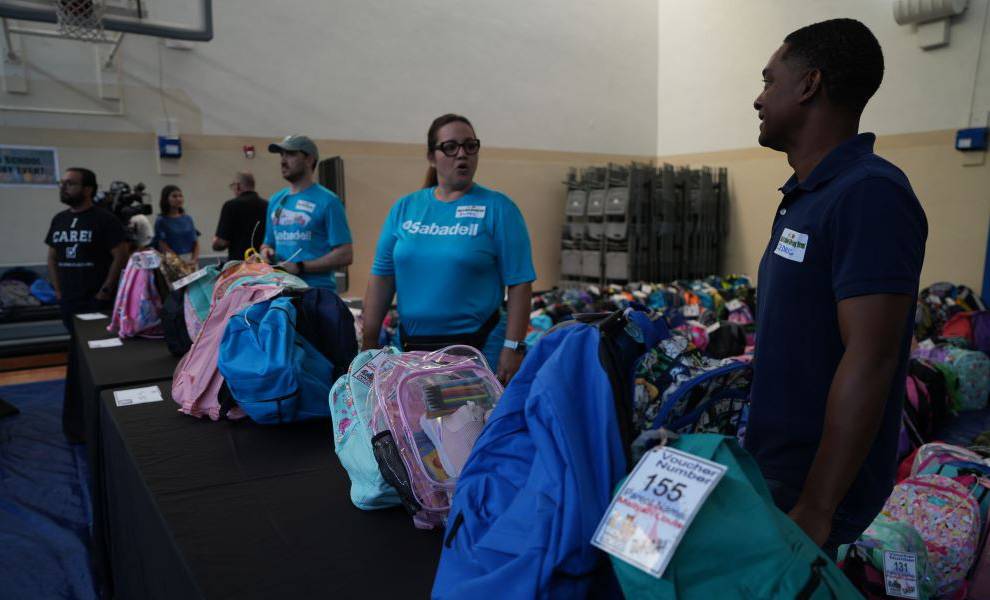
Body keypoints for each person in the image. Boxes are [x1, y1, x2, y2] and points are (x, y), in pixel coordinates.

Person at [745, 19, 927, 557]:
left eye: (769, 80)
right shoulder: (807, 194)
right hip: (777, 470)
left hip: (813, 493)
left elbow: (871, 359)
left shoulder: (869, 194)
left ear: (809, 85)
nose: (759, 98)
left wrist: (817, 508)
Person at [361, 114, 536, 384]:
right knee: (408, 413)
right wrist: (369, 342)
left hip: (479, 349)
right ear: (432, 157)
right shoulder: (405, 208)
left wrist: (513, 347)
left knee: (471, 415)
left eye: (470, 146)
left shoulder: (499, 208)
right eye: (451, 147)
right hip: (411, 350)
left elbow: (520, 283)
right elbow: (382, 278)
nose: (462, 154)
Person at [45, 167, 128, 442]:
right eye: (63, 182)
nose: (64, 187)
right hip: (69, 301)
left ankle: (102, 419)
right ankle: (78, 419)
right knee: (75, 360)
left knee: (96, 363)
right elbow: (52, 256)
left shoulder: (105, 219)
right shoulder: (59, 219)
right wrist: (58, 291)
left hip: (96, 302)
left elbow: (120, 254)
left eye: (70, 183)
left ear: (88, 189)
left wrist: (105, 291)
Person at [260, 135, 353, 291]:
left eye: (290, 154)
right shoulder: (276, 200)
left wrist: (301, 267)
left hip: (315, 293)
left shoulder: (328, 201)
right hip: (280, 291)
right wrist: (265, 252)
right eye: (282, 155)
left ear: (309, 160)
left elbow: (345, 254)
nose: (283, 161)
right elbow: (268, 243)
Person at [213, 171, 268, 262]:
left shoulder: (230, 205)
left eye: (232, 186)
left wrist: (215, 243)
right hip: (262, 263)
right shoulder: (267, 205)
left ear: (238, 186)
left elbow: (222, 243)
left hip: (239, 264)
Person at [154, 185, 200, 266]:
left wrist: (194, 259)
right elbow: (163, 245)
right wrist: (179, 262)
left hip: (190, 259)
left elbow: (195, 241)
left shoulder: (188, 218)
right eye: (174, 196)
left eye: (180, 196)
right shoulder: (161, 220)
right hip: (172, 261)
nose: (178, 199)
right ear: (166, 199)